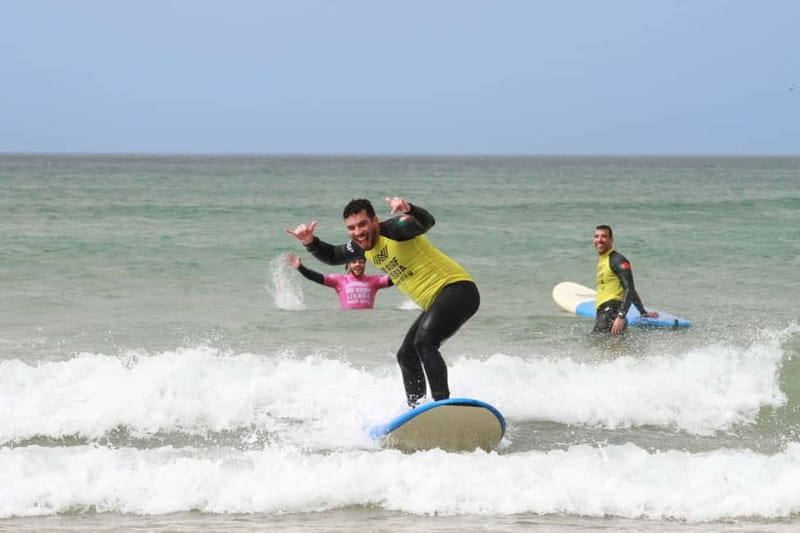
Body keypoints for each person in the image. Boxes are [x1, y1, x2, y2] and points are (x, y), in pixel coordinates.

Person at [286, 197, 479, 407]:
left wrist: (410, 209)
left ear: (375, 221)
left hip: (457, 289)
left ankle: (443, 405)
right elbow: (333, 255)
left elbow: (427, 222)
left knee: (424, 342)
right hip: (436, 301)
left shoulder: (395, 230)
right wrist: (309, 242)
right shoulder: (361, 246)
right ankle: (418, 410)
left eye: (362, 224)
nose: (358, 231)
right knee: (406, 356)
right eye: (351, 228)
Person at [593, 224, 659, 334]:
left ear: (611, 240)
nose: (599, 240)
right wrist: (642, 312)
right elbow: (628, 288)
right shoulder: (603, 260)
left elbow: (629, 288)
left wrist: (621, 316)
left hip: (611, 312)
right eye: (596, 236)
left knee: (595, 344)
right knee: (614, 348)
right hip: (608, 313)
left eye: (603, 236)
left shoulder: (617, 260)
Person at [287, 252, 392, 309]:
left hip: (368, 322)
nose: (357, 264)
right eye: (354, 262)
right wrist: (300, 268)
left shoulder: (374, 281)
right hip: (347, 322)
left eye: (361, 262)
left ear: (365, 264)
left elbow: (394, 279)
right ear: (348, 264)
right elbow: (317, 277)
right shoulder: (339, 280)